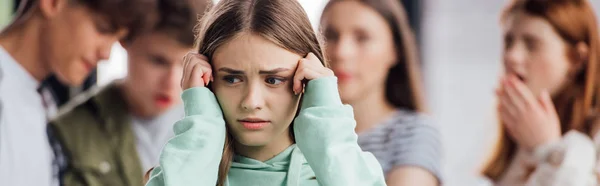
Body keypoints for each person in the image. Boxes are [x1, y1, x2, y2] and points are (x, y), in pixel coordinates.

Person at [144, 0, 386, 185]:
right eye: (232, 78)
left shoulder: (355, 173)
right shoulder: (173, 175)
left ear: (308, 79)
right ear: (207, 82)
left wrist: (326, 120)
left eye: (273, 79)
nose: (252, 102)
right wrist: (201, 126)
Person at [49, 0, 212, 185]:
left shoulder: (217, 127)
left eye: (186, 65)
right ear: (124, 41)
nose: (172, 82)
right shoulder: (69, 129)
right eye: (158, 61)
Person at [0, 0, 154, 185]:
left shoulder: (42, 102)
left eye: (116, 39)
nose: (106, 54)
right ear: (53, 3)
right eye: (102, 28)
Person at [320, 0, 441, 185]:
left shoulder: (412, 133)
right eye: (331, 35)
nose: (341, 52)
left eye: (362, 38)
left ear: (395, 50)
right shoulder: (294, 129)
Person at [482, 0, 600, 185]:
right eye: (508, 41)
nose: (511, 56)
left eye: (531, 44)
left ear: (577, 60)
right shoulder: (516, 144)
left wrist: (549, 152)